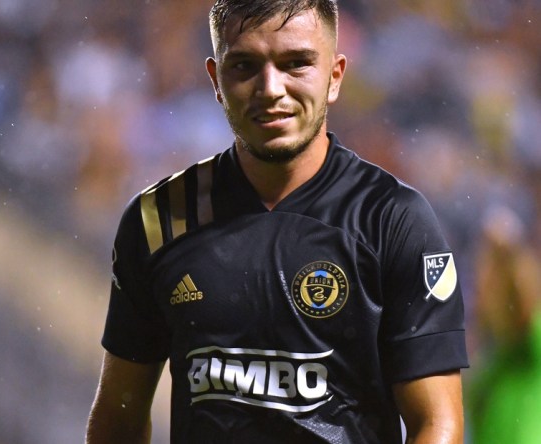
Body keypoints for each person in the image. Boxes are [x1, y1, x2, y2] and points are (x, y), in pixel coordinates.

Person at [87, 1, 468, 442]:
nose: (271, 88)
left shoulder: (393, 220)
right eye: (245, 65)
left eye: (296, 64)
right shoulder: (158, 219)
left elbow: (437, 423)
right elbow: (118, 418)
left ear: (335, 76)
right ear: (215, 79)